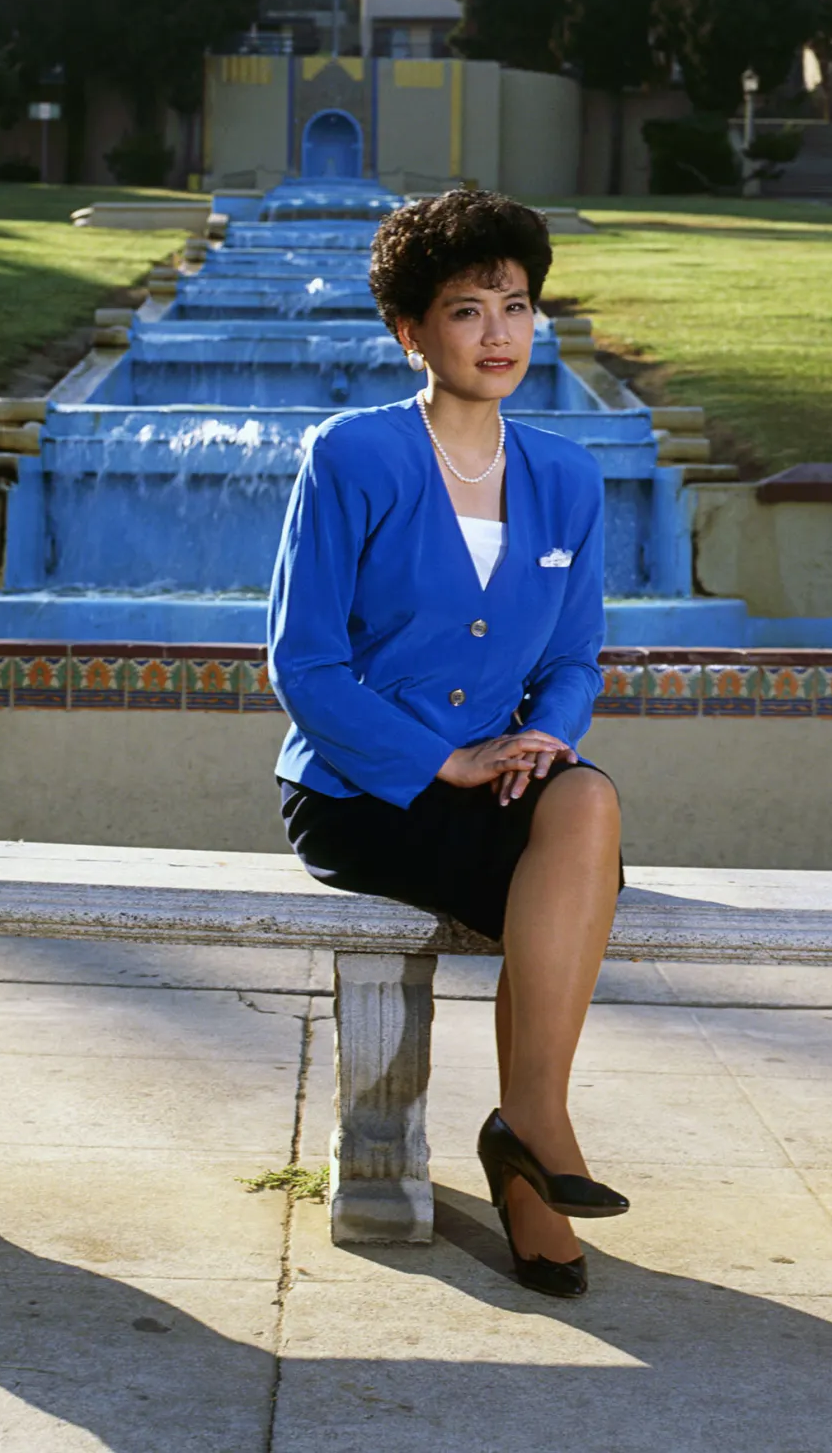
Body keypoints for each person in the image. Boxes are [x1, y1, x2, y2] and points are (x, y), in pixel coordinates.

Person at [267, 189, 627, 1299]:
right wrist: (442, 760)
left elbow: (574, 663)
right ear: (410, 332)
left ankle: (530, 1135)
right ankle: (535, 1160)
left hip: (503, 783)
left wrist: (539, 742)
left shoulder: (568, 478)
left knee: (587, 802)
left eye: (517, 306)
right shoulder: (353, 457)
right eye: (467, 310)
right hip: (368, 792)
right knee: (555, 876)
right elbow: (304, 663)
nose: (500, 334)